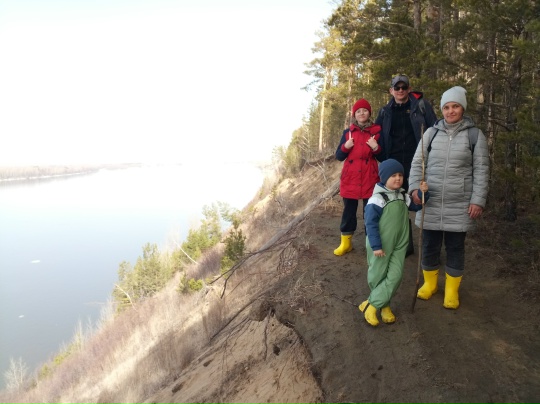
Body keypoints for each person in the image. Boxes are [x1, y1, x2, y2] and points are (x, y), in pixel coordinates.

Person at [408, 85, 489, 310]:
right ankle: (430, 284)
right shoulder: (430, 134)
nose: (450, 111)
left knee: (455, 248)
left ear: (462, 108)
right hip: (431, 202)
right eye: (446, 107)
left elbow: (482, 170)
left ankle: (452, 290)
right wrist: (414, 190)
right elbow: (417, 164)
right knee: (429, 245)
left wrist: (477, 200)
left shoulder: (474, 135)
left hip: (460, 203)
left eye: (455, 106)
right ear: (442, 110)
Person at [359, 159, 429, 326]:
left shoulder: (403, 196)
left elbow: (417, 206)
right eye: (393, 175)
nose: (398, 178)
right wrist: (376, 246)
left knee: (396, 276)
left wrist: (422, 193)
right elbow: (370, 224)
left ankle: (371, 304)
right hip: (381, 245)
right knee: (378, 275)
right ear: (384, 178)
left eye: (400, 175)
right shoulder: (377, 199)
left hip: (400, 244)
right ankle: (383, 306)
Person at [375, 74, 438, 256]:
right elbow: (377, 134)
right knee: (397, 203)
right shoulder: (385, 111)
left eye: (404, 87)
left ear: (409, 89)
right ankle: (405, 243)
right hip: (394, 164)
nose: (400, 90)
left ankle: (430, 249)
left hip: (418, 162)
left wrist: (432, 155)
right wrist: (380, 155)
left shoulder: (421, 106)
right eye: (397, 87)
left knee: (422, 200)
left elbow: (435, 130)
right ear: (391, 90)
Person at [333, 98, 382, 256]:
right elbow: (339, 156)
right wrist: (345, 147)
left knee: (370, 213)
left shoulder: (376, 132)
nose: (362, 113)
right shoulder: (347, 133)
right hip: (351, 178)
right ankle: (346, 244)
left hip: (370, 178)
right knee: (348, 212)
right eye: (358, 111)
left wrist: (376, 148)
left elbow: (383, 156)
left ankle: (371, 245)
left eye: (365, 110)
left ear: (369, 113)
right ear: (354, 114)